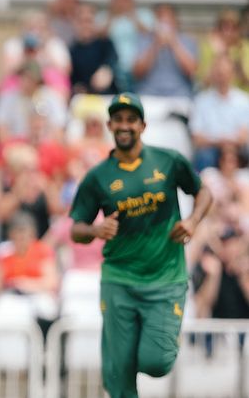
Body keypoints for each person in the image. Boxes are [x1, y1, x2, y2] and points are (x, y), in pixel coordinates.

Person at [69, 92, 213, 398]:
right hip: (119, 280)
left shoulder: (168, 161)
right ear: (109, 125)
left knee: (156, 361)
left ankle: (154, 341)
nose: (124, 126)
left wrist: (193, 221)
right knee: (118, 377)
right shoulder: (98, 177)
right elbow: (76, 229)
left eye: (131, 120)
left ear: (143, 126)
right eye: (118, 119)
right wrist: (96, 229)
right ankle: (119, 362)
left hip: (165, 278)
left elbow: (203, 192)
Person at [132, 4, 197, 98]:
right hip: (148, 94)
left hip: (179, 95)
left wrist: (174, 43)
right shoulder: (144, 39)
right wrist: (155, 45)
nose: (164, 24)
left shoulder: (188, 41)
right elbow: (137, 73)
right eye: (160, 19)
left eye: (168, 20)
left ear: (175, 21)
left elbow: (191, 72)